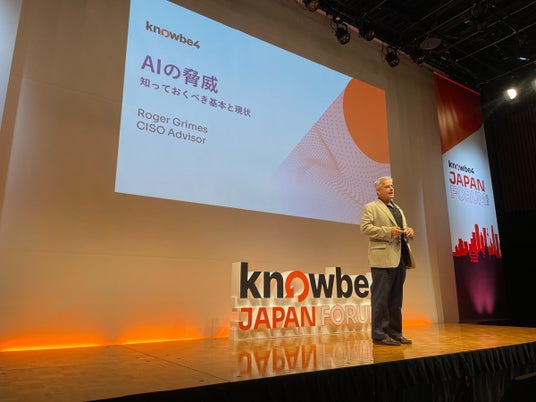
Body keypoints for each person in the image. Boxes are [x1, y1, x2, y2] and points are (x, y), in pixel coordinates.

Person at [360, 176, 416, 346]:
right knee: (381, 299)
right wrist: (388, 231)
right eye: (387, 186)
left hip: (400, 258)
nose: (391, 189)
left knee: (396, 299)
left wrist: (409, 231)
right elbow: (365, 228)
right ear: (378, 191)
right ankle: (379, 335)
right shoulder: (371, 207)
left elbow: (402, 231)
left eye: (392, 186)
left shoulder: (398, 209)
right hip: (382, 258)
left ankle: (395, 332)